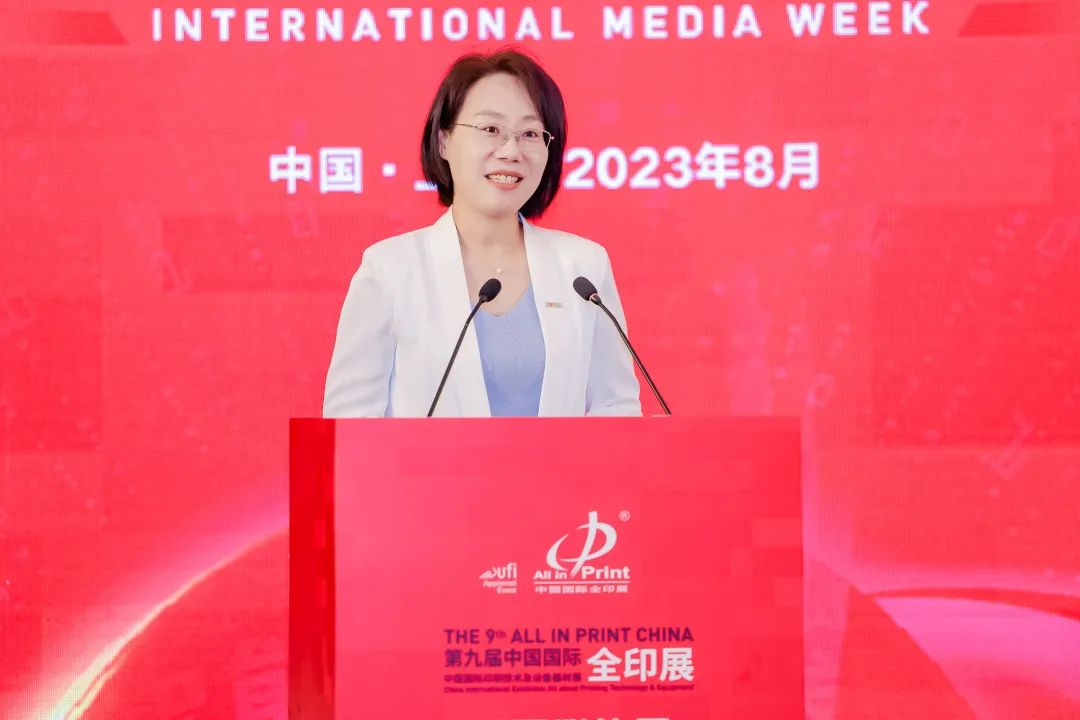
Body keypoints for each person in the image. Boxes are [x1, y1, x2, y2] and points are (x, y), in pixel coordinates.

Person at [323, 49, 641, 418]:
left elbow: (615, 406)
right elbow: (348, 424)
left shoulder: (583, 267)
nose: (511, 150)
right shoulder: (389, 270)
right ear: (443, 141)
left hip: (563, 461)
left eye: (530, 133)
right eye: (491, 129)